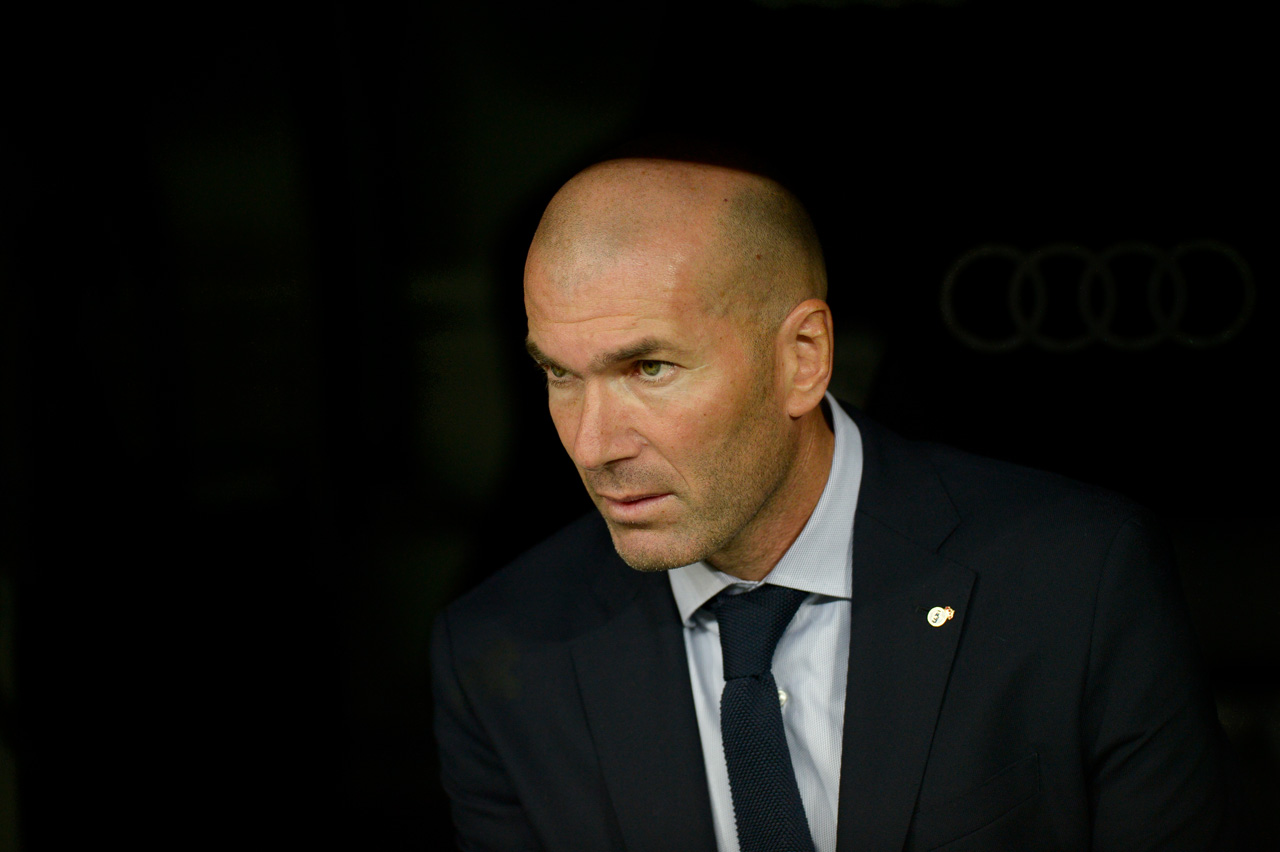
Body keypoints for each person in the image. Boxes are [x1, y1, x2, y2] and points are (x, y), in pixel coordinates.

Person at [431, 156, 1241, 851]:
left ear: (804, 358)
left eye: (649, 369)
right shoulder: (503, 655)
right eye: (560, 375)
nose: (592, 444)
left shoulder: (1076, 580)